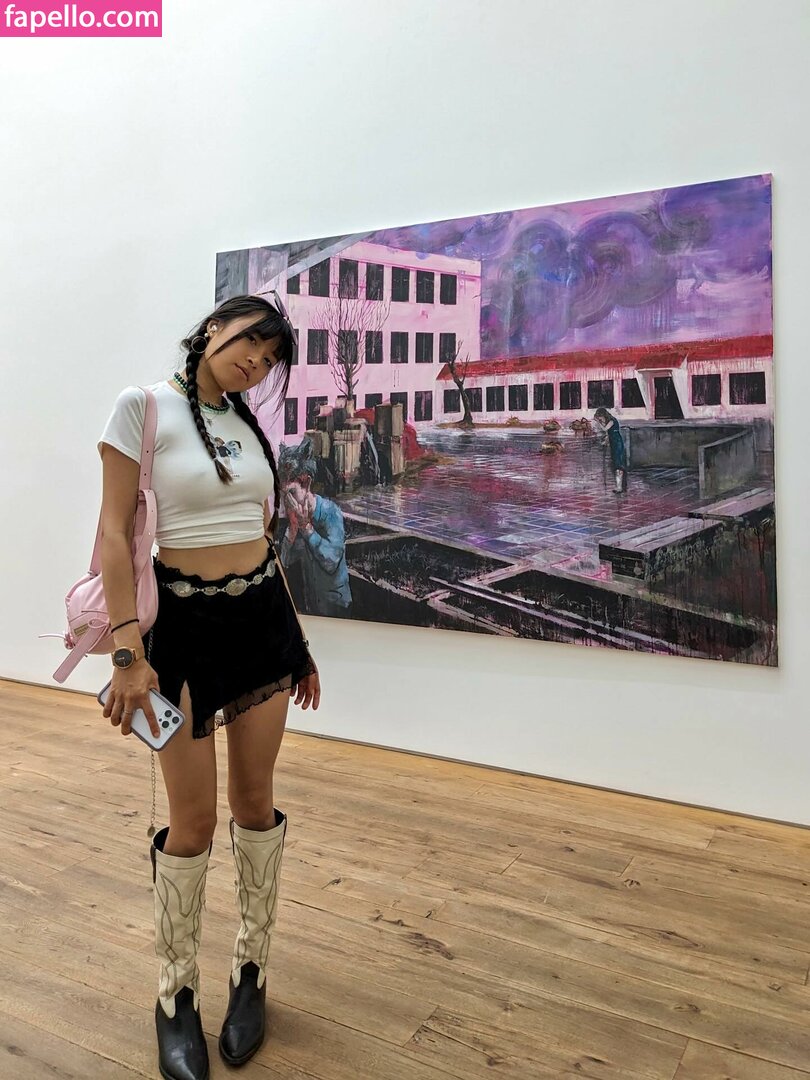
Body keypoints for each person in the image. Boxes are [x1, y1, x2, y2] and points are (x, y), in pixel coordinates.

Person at [97, 293, 320, 1080]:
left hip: (261, 623)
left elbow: (263, 540)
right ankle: (175, 995)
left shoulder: (247, 425)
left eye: (270, 358)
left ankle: (250, 972)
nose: (256, 362)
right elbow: (113, 538)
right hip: (181, 634)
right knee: (191, 823)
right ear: (213, 327)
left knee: (255, 805)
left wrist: (299, 644)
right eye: (250, 342)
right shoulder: (142, 408)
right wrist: (128, 654)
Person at [278, 438, 353, 617]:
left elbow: (331, 561)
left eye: (292, 493)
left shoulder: (330, 512)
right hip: (312, 605)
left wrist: (306, 528)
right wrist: (292, 531)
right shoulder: (296, 516)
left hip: (337, 606)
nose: (288, 502)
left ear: (306, 483)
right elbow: (286, 561)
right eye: (284, 496)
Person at [593, 406, 628, 493]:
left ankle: (619, 487)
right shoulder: (610, 421)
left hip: (617, 443)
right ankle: (618, 486)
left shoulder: (612, 421)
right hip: (614, 443)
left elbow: (605, 429)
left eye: (600, 417)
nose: (600, 420)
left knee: (618, 464)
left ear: (603, 415)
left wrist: (599, 422)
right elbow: (608, 433)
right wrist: (606, 441)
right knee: (616, 464)